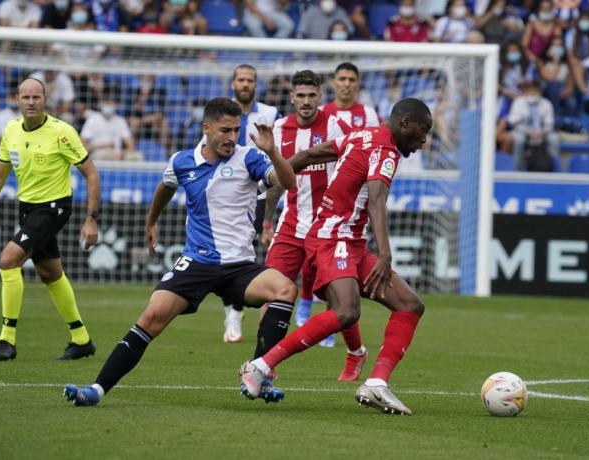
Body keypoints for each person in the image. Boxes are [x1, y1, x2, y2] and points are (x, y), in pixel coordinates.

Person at [63, 97, 297, 407]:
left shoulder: (250, 158)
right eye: (225, 130)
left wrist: (271, 150)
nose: (231, 137)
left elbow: (288, 182)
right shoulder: (182, 162)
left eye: (235, 130)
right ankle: (96, 390)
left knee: (285, 288)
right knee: (151, 317)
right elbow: (165, 187)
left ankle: (258, 372)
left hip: (239, 266)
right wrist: (151, 221)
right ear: (206, 128)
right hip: (198, 261)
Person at [240, 98, 432, 415]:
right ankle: (260, 367)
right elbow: (377, 200)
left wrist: (276, 171)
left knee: (410, 305)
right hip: (333, 237)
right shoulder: (385, 150)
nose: (424, 140)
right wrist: (385, 253)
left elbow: (307, 156)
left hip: (349, 241)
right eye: (423, 131)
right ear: (405, 123)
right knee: (346, 311)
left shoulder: (361, 135)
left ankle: (376, 383)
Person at [0, 77, 100, 361]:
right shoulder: (11, 130)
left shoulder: (62, 132)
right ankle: (81, 339)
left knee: (8, 260)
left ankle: (7, 340)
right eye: (25, 97)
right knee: (50, 274)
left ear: (45, 99)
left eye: (35, 97)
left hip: (54, 207)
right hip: (27, 209)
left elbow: (91, 173)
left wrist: (91, 218)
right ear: (17, 99)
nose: (30, 102)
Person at [262, 69, 368, 381]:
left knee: (340, 304)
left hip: (328, 230)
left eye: (312, 96)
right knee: (271, 294)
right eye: (301, 96)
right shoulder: (279, 129)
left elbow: (358, 162)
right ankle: (264, 365)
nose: (306, 101)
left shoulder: (336, 125)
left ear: (320, 97)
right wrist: (267, 221)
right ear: (291, 97)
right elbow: (275, 183)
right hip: (291, 226)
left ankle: (355, 352)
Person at [221, 64, 281, 344]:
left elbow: (278, 153)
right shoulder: (220, 111)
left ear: (256, 85)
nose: (245, 84)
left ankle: (240, 306)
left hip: (257, 194)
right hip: (226, 194)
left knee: (249, 251)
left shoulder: (270, 114)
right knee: (230, 252)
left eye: (250, 80)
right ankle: (233, 312)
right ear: (233, 83)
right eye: (241, 79)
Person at [80, 90, 141, 161]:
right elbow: (82, 145)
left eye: (111, 103)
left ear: (116, 105)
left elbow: (130, 144)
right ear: (100, 104)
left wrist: (122, 153)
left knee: (136, 156)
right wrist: (103, 146)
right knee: (102, 156)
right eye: (106, 103)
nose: (108, 105)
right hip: (97, 152)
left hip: (117, 154)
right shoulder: (92, 120)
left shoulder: (120, 121)